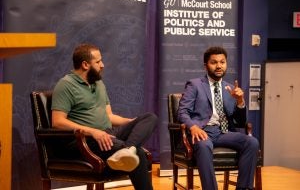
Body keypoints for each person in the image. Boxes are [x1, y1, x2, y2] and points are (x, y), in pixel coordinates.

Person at [51, 43, 157, 190]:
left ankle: (127, 149)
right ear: (85, 64)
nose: (103, 65)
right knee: (138, 153)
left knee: (149, 117)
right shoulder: (66, 85)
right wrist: (93, 132)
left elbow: (109, 116)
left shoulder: (99, 83)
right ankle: (130, 149)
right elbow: (57, 122)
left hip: (107, 133)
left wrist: (131, 122)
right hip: (84, 140)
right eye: (98, 61)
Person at [177, 46, 259, 190]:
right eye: (214, 62)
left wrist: (240, 101)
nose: (219, 66)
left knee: (251, 142)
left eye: (222, 62)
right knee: (204, 145)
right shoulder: (195, 85)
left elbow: (240, 123)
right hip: (202, 131)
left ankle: (244, 188)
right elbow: (182, 112)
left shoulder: (229, 89)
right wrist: (193, 127)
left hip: (223, 132)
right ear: (206, 65)